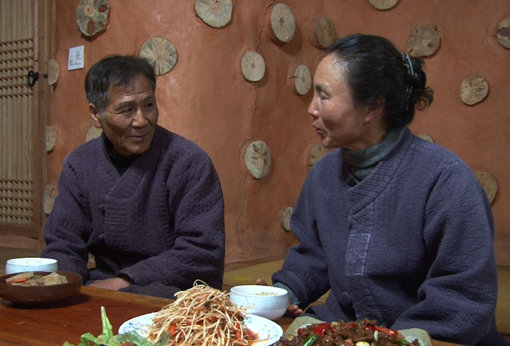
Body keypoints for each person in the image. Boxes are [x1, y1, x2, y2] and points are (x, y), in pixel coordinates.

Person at [264, 34, 506, 345]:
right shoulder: (324, 175)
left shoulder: (446, 180)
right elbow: (313, 254)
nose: (311, 109)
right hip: (346, 333)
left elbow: (463, 296)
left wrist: (389, 340)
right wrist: (286, 291)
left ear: (372, 108)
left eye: (324, 96)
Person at [41, 55, 225, 299]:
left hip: (172, 290)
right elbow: (63, 243)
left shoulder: (188, 161)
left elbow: (201, 251)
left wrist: (124, 281)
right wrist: (65, 290)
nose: (141, 121)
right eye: (126, 109)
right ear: (96, 114)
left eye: (148, 105)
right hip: (103, 284)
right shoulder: (80, 164)